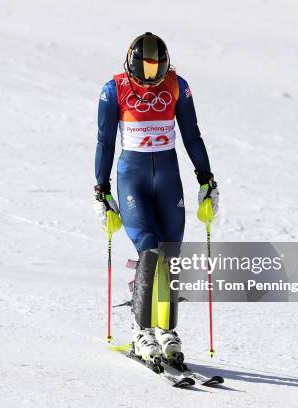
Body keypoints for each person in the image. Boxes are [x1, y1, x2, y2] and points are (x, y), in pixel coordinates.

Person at [94, 32, 220, 362]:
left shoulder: (177, 85)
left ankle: (166, 329)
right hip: (133, 177)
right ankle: (141, 331)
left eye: (157, 71)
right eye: (145, 71)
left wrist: (206, 180)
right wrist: (101, 190)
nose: (151, 79)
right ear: (132, 65)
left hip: (167, 177)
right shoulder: (115, 88)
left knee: (171, 253)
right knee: (149, 248)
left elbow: (192, 134)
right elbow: (105, 143)